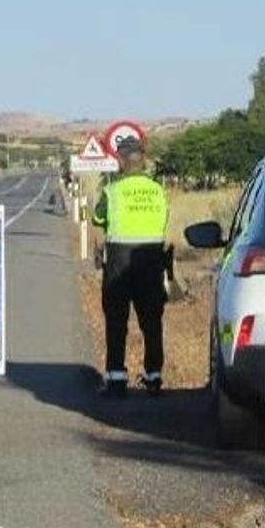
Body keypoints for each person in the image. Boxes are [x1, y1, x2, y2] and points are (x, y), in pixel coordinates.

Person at [91, 136, 169, 398]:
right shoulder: (158, 190)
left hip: (120, 262)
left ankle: (116, 379)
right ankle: (154, 377)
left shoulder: (113, 190)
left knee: (116, 320)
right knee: (151, 321)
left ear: (121, 161)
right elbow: (164, 219)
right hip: (151, 260)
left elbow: (98, 217)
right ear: (143, 160)